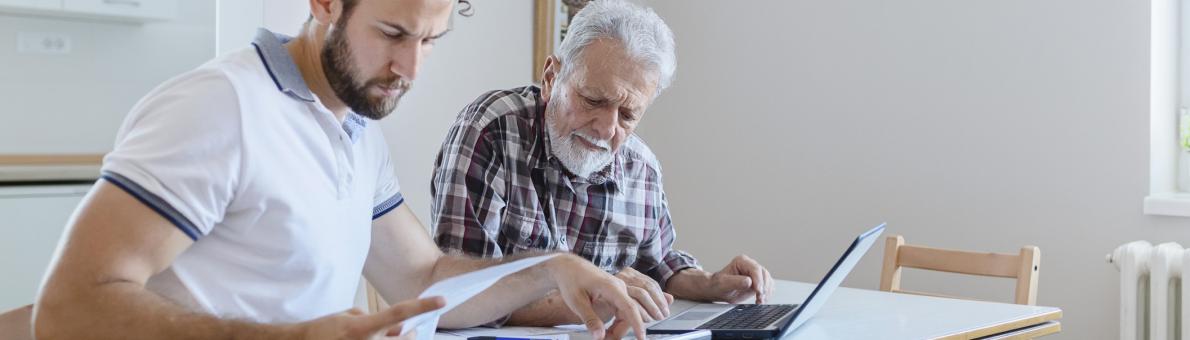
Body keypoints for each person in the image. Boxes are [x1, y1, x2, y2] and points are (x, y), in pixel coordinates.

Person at [32, 0, 646, 339]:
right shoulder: (220, 107)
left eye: (430, 41)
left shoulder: (354, 130)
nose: (411, 68)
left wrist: (554, 268)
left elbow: (424, 278)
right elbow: (69, 308)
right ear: (325, 3)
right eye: (392, 33)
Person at [431, 0, 774, 327]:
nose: (607, 128)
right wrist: (591, 301)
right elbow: (458, 296)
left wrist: (713, 283)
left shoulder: (641, 166)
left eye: (627, 114)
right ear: (552, 77)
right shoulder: (491, 132)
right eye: (593, 100)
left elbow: (659, 262)